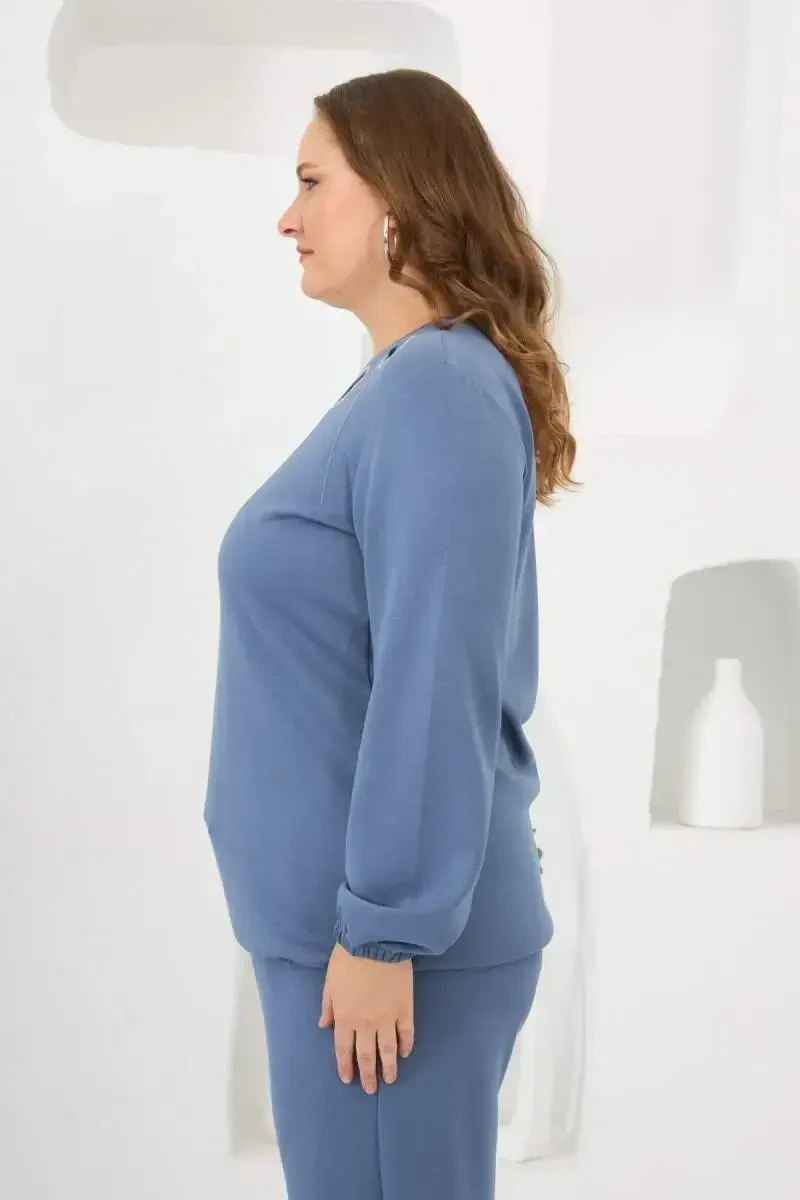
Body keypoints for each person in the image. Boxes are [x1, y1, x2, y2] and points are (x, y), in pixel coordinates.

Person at [203, 67, 578, 1200]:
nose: (288, 217)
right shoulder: (408, 385)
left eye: (312, 182)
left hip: (383, 961)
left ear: (398, 201)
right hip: (349, 946)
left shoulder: (436, 391)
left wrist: (384, 935)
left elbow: (432, 679)